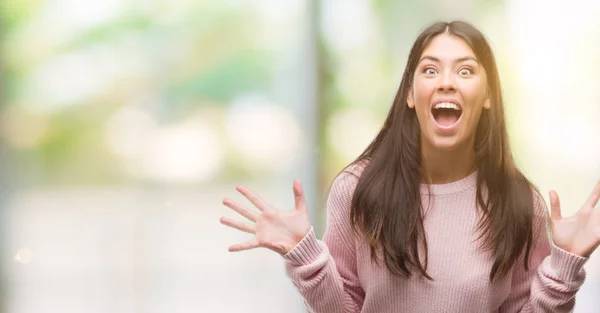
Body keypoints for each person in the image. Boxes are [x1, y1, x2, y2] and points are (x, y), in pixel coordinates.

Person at [219, 20, 600, 313]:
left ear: (487, 96)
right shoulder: (358, 190)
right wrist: (305, 256)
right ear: (410, 94)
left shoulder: (518, 202)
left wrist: (564, 268)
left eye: (465, 71)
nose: (447, 82)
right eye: (430, 70)